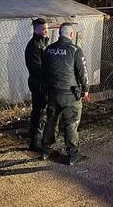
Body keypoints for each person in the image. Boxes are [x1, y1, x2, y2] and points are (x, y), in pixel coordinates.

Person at [41, 23, 89, 166]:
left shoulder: (49, 49)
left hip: (53, 93)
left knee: (51, 122)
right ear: (72, 35)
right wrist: (86, 89)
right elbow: (82, 72)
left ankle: (46, 151)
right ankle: (73, 155)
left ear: (59, 34)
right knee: (71, 124)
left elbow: (44, 71)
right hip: (70, 95)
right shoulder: (75, 50)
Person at [24, 18, 49, 152]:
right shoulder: (34, 46)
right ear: (35, 30)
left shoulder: (42, 43)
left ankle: (36, 137)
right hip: (39, 83)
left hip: (40, 82)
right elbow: (37, 69)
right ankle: (35, 141)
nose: (46, 31)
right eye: (43, 29)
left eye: (46, 28)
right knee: (40, 112)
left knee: (40, 111)